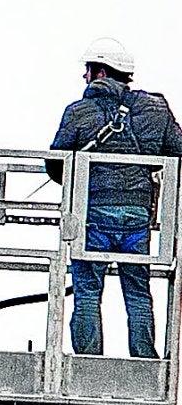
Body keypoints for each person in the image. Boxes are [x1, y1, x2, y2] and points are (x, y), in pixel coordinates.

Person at [46, 37, 182, 359]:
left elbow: (55, 163)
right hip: (136, 216)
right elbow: (178, 152)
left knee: (88, 293)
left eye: (88, 70)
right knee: (137, 291)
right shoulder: (157, 108)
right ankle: (144, 359)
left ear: (100, 71)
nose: (85, 77)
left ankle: (89, 362)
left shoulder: (79, 112)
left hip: (91, 215)